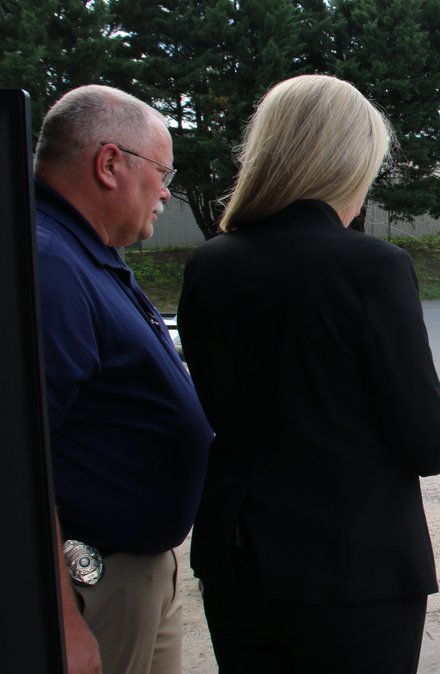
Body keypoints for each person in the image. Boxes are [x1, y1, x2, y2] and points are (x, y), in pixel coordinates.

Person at [177, 74, 440, 673]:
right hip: (350, 571)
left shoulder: (209, 265)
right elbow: (425, 443)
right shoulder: (372, 267)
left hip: (238, 560)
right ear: (349, 164)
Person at [34, 85, 213, 674]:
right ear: (109, 164)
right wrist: (63, 623)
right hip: (93, 585)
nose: (167, 191)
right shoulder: (51, 266)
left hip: (135, 569)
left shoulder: (85, 253)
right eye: (162, 170)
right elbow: (20, 463)